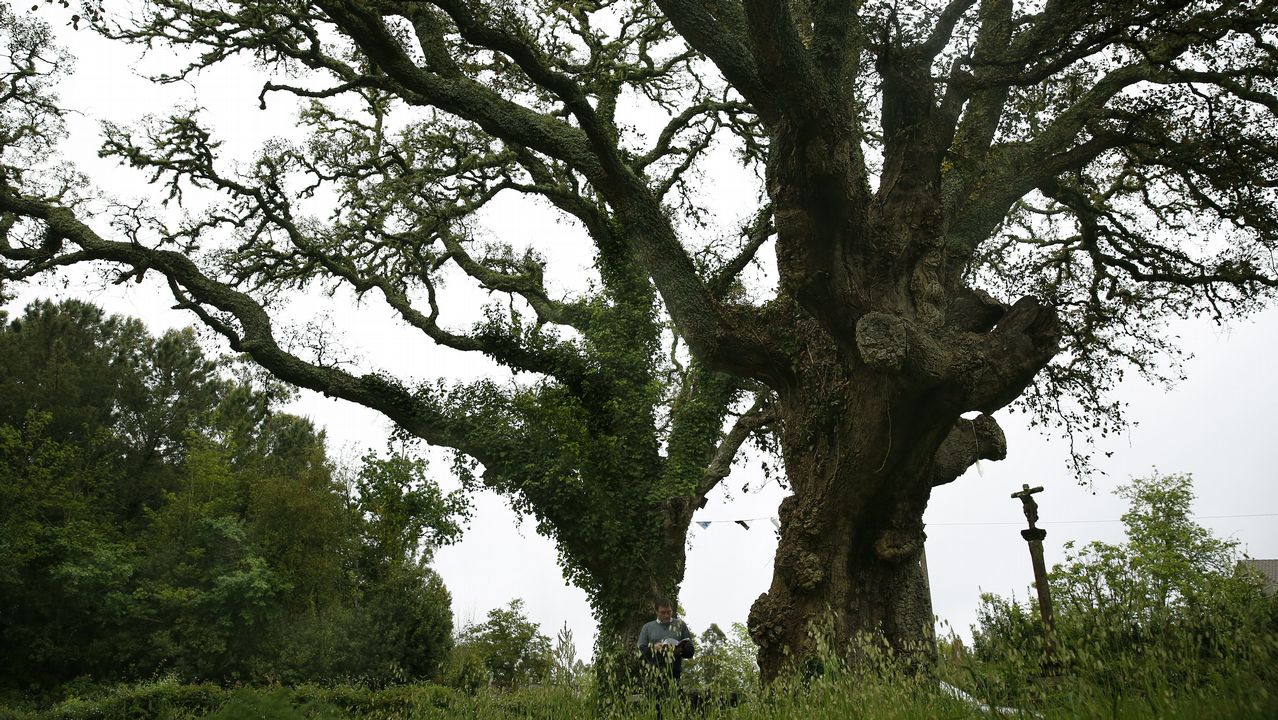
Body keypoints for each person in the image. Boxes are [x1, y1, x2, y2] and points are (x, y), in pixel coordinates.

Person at [637, 597, 695, 682]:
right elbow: (641, 651)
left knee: (675, 694)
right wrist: (653, 648)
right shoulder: (647, 627)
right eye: (663, 613)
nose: (666, 615)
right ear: (656, 612)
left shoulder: (681, 625)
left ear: (672, 610)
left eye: (669, 612)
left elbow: (691, 651)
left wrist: (680, 651)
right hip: (653, 674)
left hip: (675, 673)